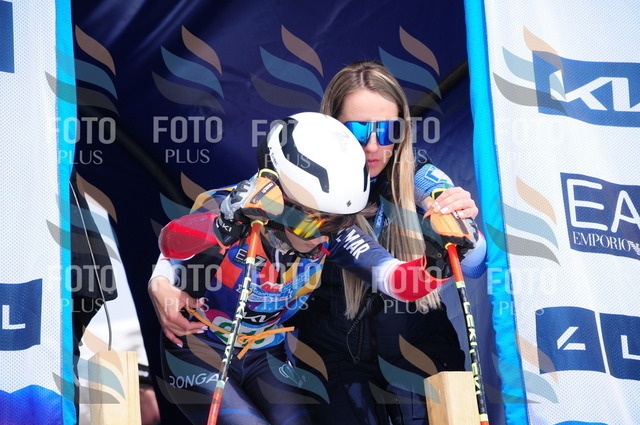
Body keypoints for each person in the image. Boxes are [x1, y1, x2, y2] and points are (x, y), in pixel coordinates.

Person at [146, 112, 471, 425]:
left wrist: (437, 261)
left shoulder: (333, 232)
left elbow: (397, 280)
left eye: (337, 222)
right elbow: (171, 243)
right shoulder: (233, 206)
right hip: (198, 347)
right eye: (313, 220)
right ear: (284, 200)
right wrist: (223, 224)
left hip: (265, 354)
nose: (322, 236)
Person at [290, 61, 487, 424]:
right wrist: (171, 281)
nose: (374, 145)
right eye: (358, 129)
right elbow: (222, 208)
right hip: (337, 367)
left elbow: (475, 264)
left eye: (388, 130)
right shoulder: (300, 180)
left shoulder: (417, 172)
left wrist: (462, 227)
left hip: (425, 356)